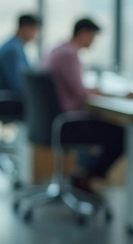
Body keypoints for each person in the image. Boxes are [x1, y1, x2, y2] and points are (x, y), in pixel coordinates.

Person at [42, 18, 127, 192]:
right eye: (93, 37)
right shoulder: (69, 54)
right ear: (83, 33)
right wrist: (114, 94)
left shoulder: (58, 49)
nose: (93, 42)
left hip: (55, 120)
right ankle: (86, 177)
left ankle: (84, 175)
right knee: (122, 135)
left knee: (104, 125)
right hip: (67, 122)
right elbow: (81, 93)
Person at [0, 13, 40, 95]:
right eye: (35, 29)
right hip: (10, 100)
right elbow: (18, 85)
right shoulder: (12, 50)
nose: (36, 34)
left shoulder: (16, 46)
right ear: (25, 28)